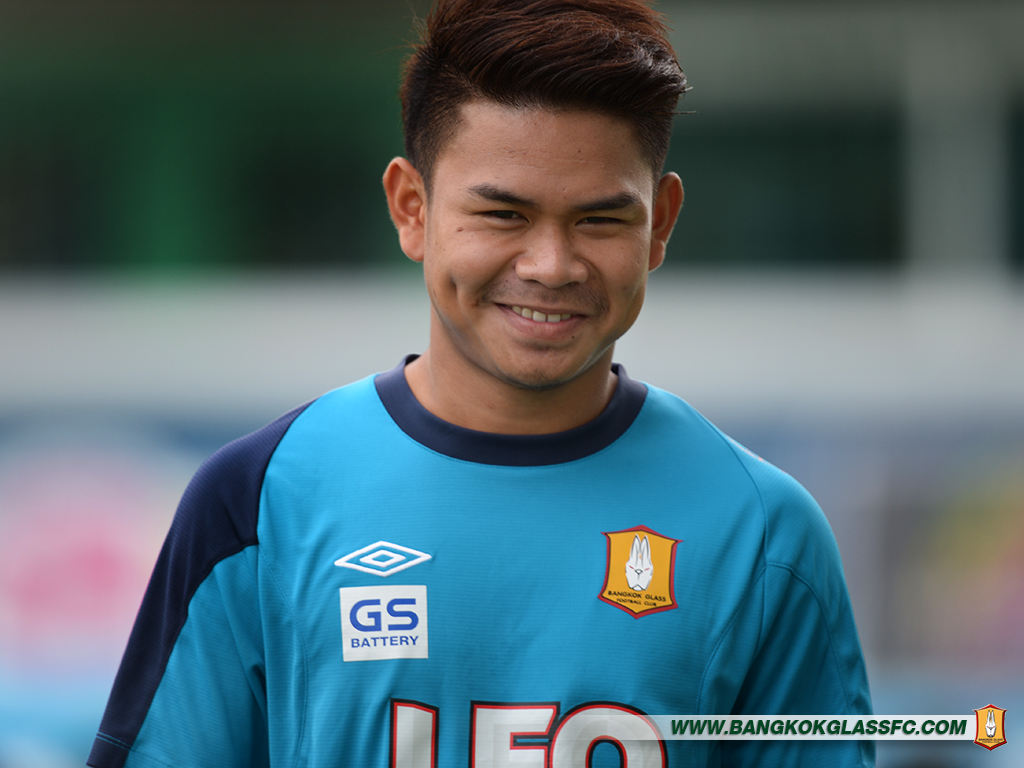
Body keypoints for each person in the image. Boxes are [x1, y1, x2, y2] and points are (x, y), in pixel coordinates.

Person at [88, 1, 873, 766]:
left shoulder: (763, 533)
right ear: (411, 208)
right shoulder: (261, 502)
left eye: (600, 220)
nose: (551, 266)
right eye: (503, 215)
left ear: (660, 223)